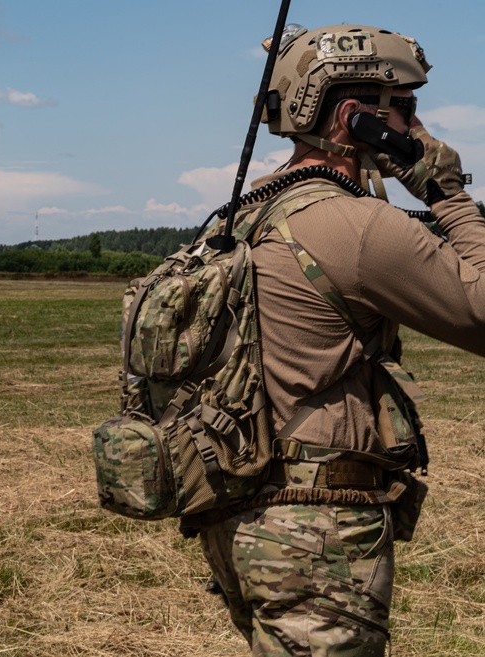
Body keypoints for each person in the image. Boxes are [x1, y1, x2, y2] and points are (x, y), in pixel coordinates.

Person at [197, 24, 485, 655]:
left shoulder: (241, 215)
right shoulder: (356, 226)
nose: (418, 130)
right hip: (317, 529)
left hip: (240, 514)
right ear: (357, 118)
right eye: (406, 111)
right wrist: (447, 191)